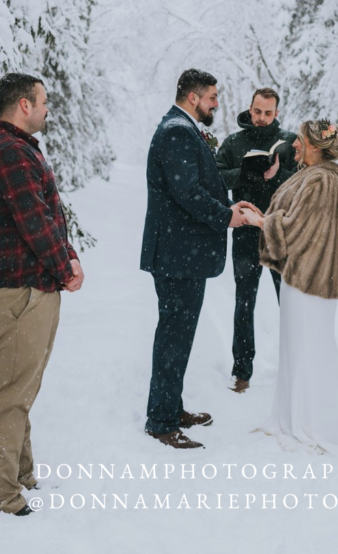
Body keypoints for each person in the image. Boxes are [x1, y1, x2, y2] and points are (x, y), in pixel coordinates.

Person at [0, 72, 84, 516]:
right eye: (42, 101)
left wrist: (67, 258)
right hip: (20, 291)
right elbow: (34, 222)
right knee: (9, 392)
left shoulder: (15, 150)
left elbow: (48, 215)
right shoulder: (11, 153)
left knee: (21, 387)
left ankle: (18, 474)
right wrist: (65, 267)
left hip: (31, 285)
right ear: (23, 105)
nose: (47, 107)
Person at [140, 69, 259, 450]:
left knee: (178, 335)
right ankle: (160, 420)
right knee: (174, 336)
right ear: (193, 97)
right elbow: (186, 192)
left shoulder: (182, 127)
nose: (216, 103)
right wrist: (227, 217)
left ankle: (171, 408)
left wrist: (229, 205)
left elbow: (197, 186)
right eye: (211, 97)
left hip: (181, 254)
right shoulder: (177, 130)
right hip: (177, 256)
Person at [252, 119, 338, 453]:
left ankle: (316, 424)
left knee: (311, 348)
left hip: (311, 280)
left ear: (314, 144)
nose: (294, 144)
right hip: (303, 277)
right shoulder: (312, 175)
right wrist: (266, 216)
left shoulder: (322, 180)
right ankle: (292, 416)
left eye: (299, 140)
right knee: (296, 348)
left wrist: (260, 222)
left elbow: (297, 230)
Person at [216, 87, 298, 393]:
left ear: (277, 113)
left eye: (268, 113)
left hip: (281, 232)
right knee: (244, 302)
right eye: (257, 112)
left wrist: (277, 173)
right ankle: (242, 372)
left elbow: (307, 181)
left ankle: (294, 366)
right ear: (249, 109)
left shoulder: (291, 142)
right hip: (246, 232)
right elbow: (214, 174)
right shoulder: (234, 142)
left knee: (289, 301)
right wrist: (246, 174)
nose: (261, 118)